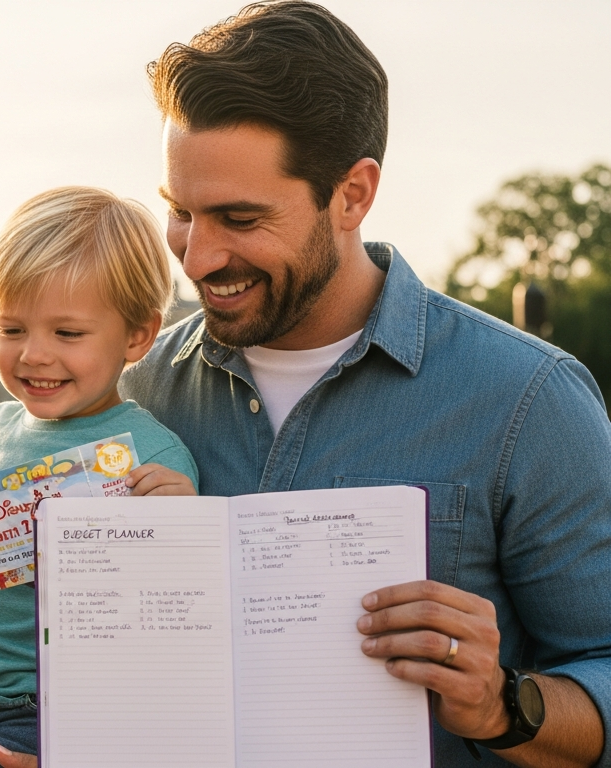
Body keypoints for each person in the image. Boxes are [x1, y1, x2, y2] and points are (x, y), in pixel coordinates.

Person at [112, 3, 609, 767]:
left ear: (352, 193)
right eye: (180, 212)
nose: (198, 257)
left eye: (239, 218)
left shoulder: (528, 401)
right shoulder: (141, 392)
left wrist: (505, 703)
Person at [0, 187, 200, 768]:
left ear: (137, 336)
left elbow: (171, 615)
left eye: (67, 334)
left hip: (62, 711)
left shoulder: (152, 454)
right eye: (11, 330)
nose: (34, 354)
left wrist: (184, 532)